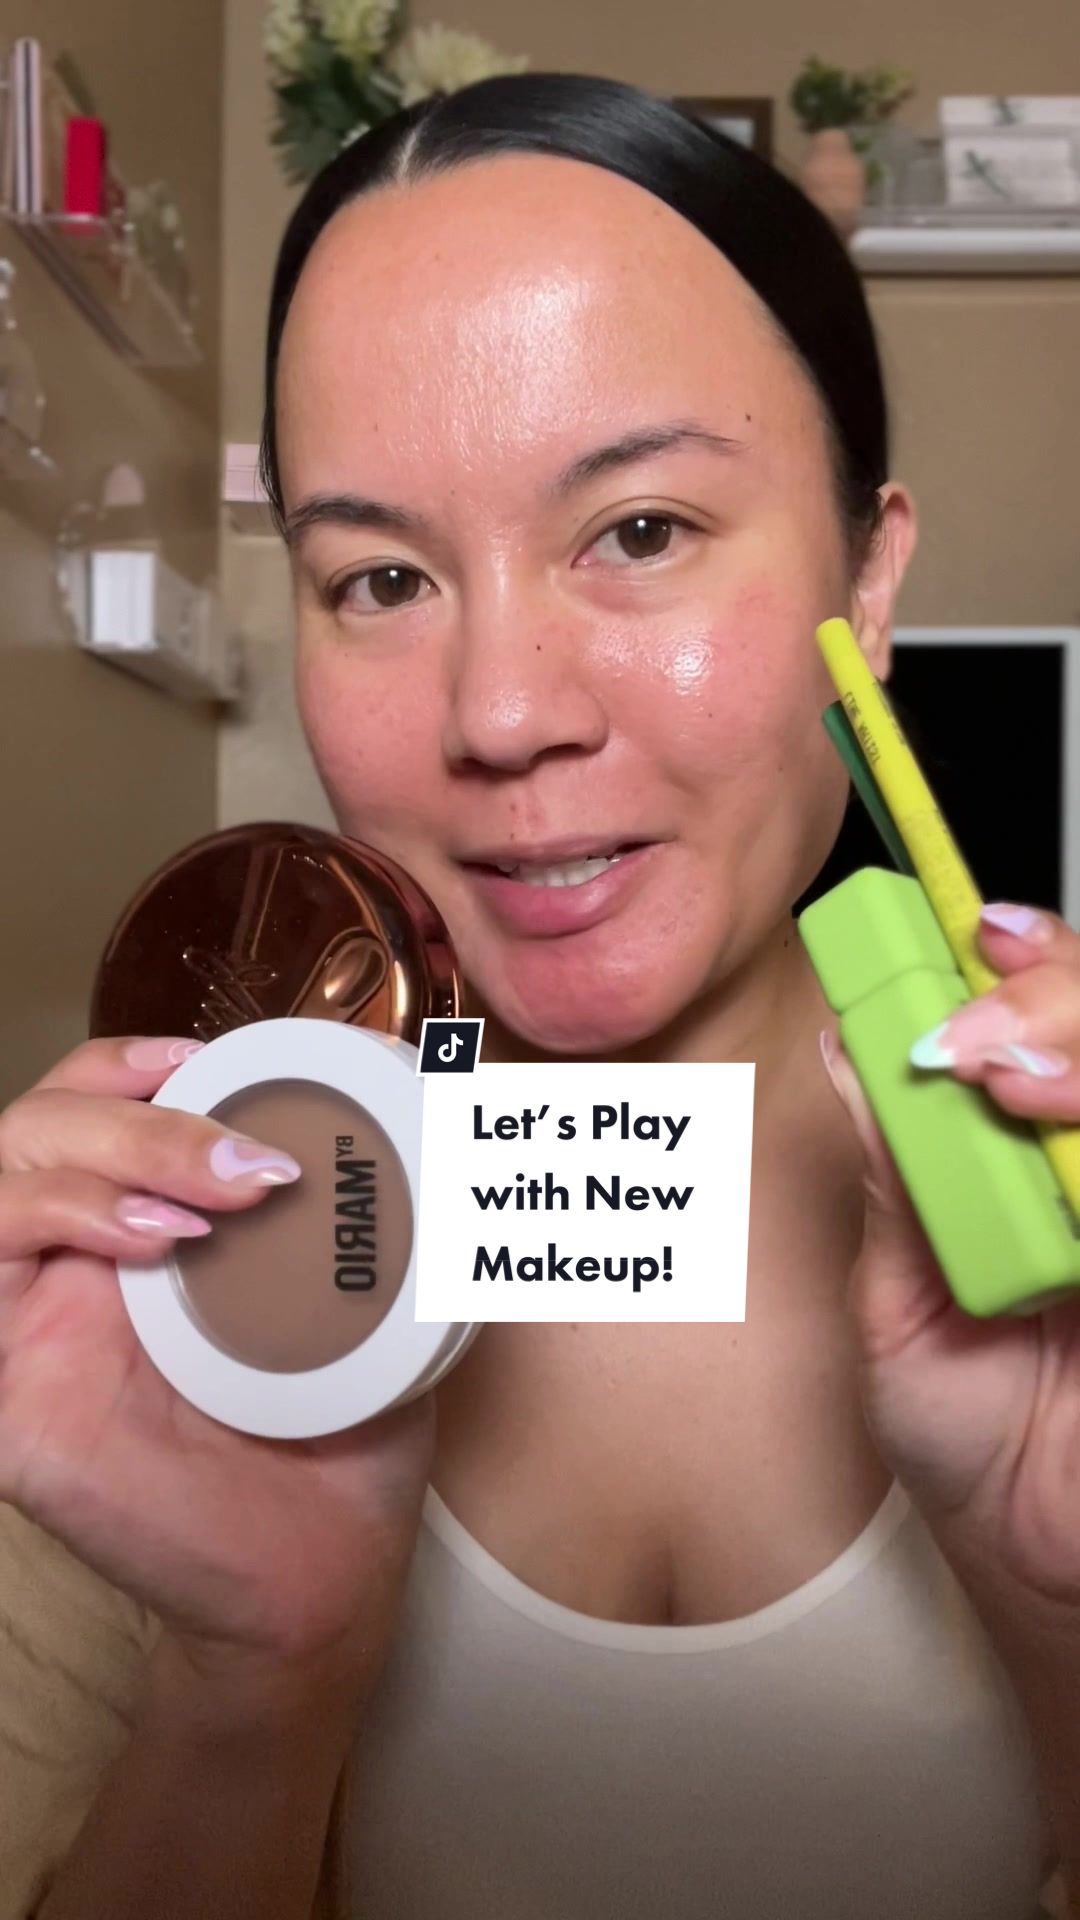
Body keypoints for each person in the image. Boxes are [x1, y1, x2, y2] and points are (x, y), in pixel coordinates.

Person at [0, 72, 1077, 1920]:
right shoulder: (166, 1292)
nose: (502, 712)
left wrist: (1058, 1620)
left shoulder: (1055, 1237)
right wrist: (255, 1688)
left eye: (640, 531)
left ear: (869, 574)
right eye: (381, 577)